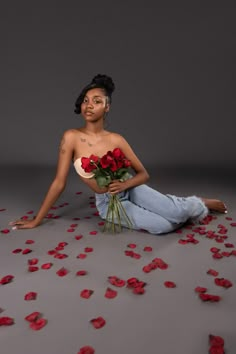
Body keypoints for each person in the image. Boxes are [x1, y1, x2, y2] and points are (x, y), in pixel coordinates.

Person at [10, 74, 227, 234]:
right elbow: (59, 182)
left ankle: (197, 202)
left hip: (132, 189)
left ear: (107, 107)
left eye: (97, 101)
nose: (89, 105)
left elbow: (143, 175)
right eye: (86, 100)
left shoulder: (117, 139)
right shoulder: (71, 137)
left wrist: (124, 185)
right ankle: (177, 206)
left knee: (177, 214)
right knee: (163, 226)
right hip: (108, 203)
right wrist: (37, 220)